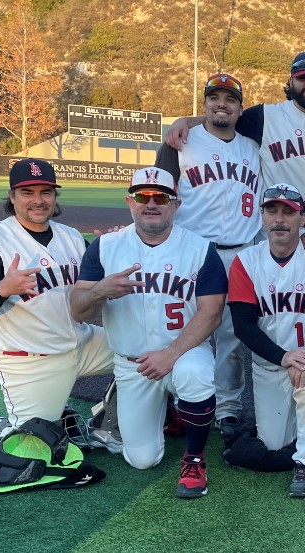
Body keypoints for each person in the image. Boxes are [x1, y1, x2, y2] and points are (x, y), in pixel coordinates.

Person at [71, 168, 227, 499]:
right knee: (143, 459)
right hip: (132, 364)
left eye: (161, 197)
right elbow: (78, 310)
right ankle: (167, 412)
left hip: (183, 353)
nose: (151, 203)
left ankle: (195, 459)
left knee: (195, 375)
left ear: (176, 204)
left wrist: (171, 354)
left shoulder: (200, 249)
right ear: (130, 202)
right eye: (143, 196)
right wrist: (100, 290)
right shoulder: (105, 246)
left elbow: (212, 313)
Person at [0, 158, 115, 428]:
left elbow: (98, 282)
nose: (38, 200)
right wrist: (2, 288)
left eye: (46, 192)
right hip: (29, 362)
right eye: (27, 192)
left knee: (144, 349)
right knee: (32, 443)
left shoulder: (72, 237)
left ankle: (110, 422)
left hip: (85, 345)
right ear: (12, 196)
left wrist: (115, 248)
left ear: (55, 196)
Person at [226, 183, 305, 498]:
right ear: (262, 216)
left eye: (288, 212)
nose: (279, 219)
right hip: (270, 364)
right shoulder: (246, 261)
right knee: (273, 445)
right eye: (272, 211)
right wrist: (283, 357)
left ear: (302, 219)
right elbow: (243, 326)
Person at [155, 72, 261, 440]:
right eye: (215, 97)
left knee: (232, 337)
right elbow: (158, 196)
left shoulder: (254, 148)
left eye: (230, 99)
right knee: (183, 329)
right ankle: (178, 402)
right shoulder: (180, 142)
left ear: (240, 108)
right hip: (193, 252)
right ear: (204, 104)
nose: (222, 104)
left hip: (240, 253)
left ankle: (228, 408)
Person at [165, 51, 305, 199]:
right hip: (276, 225)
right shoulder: (265, 115)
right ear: (291, 81)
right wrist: (186, 121)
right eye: (303, 77)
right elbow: (226, 116)